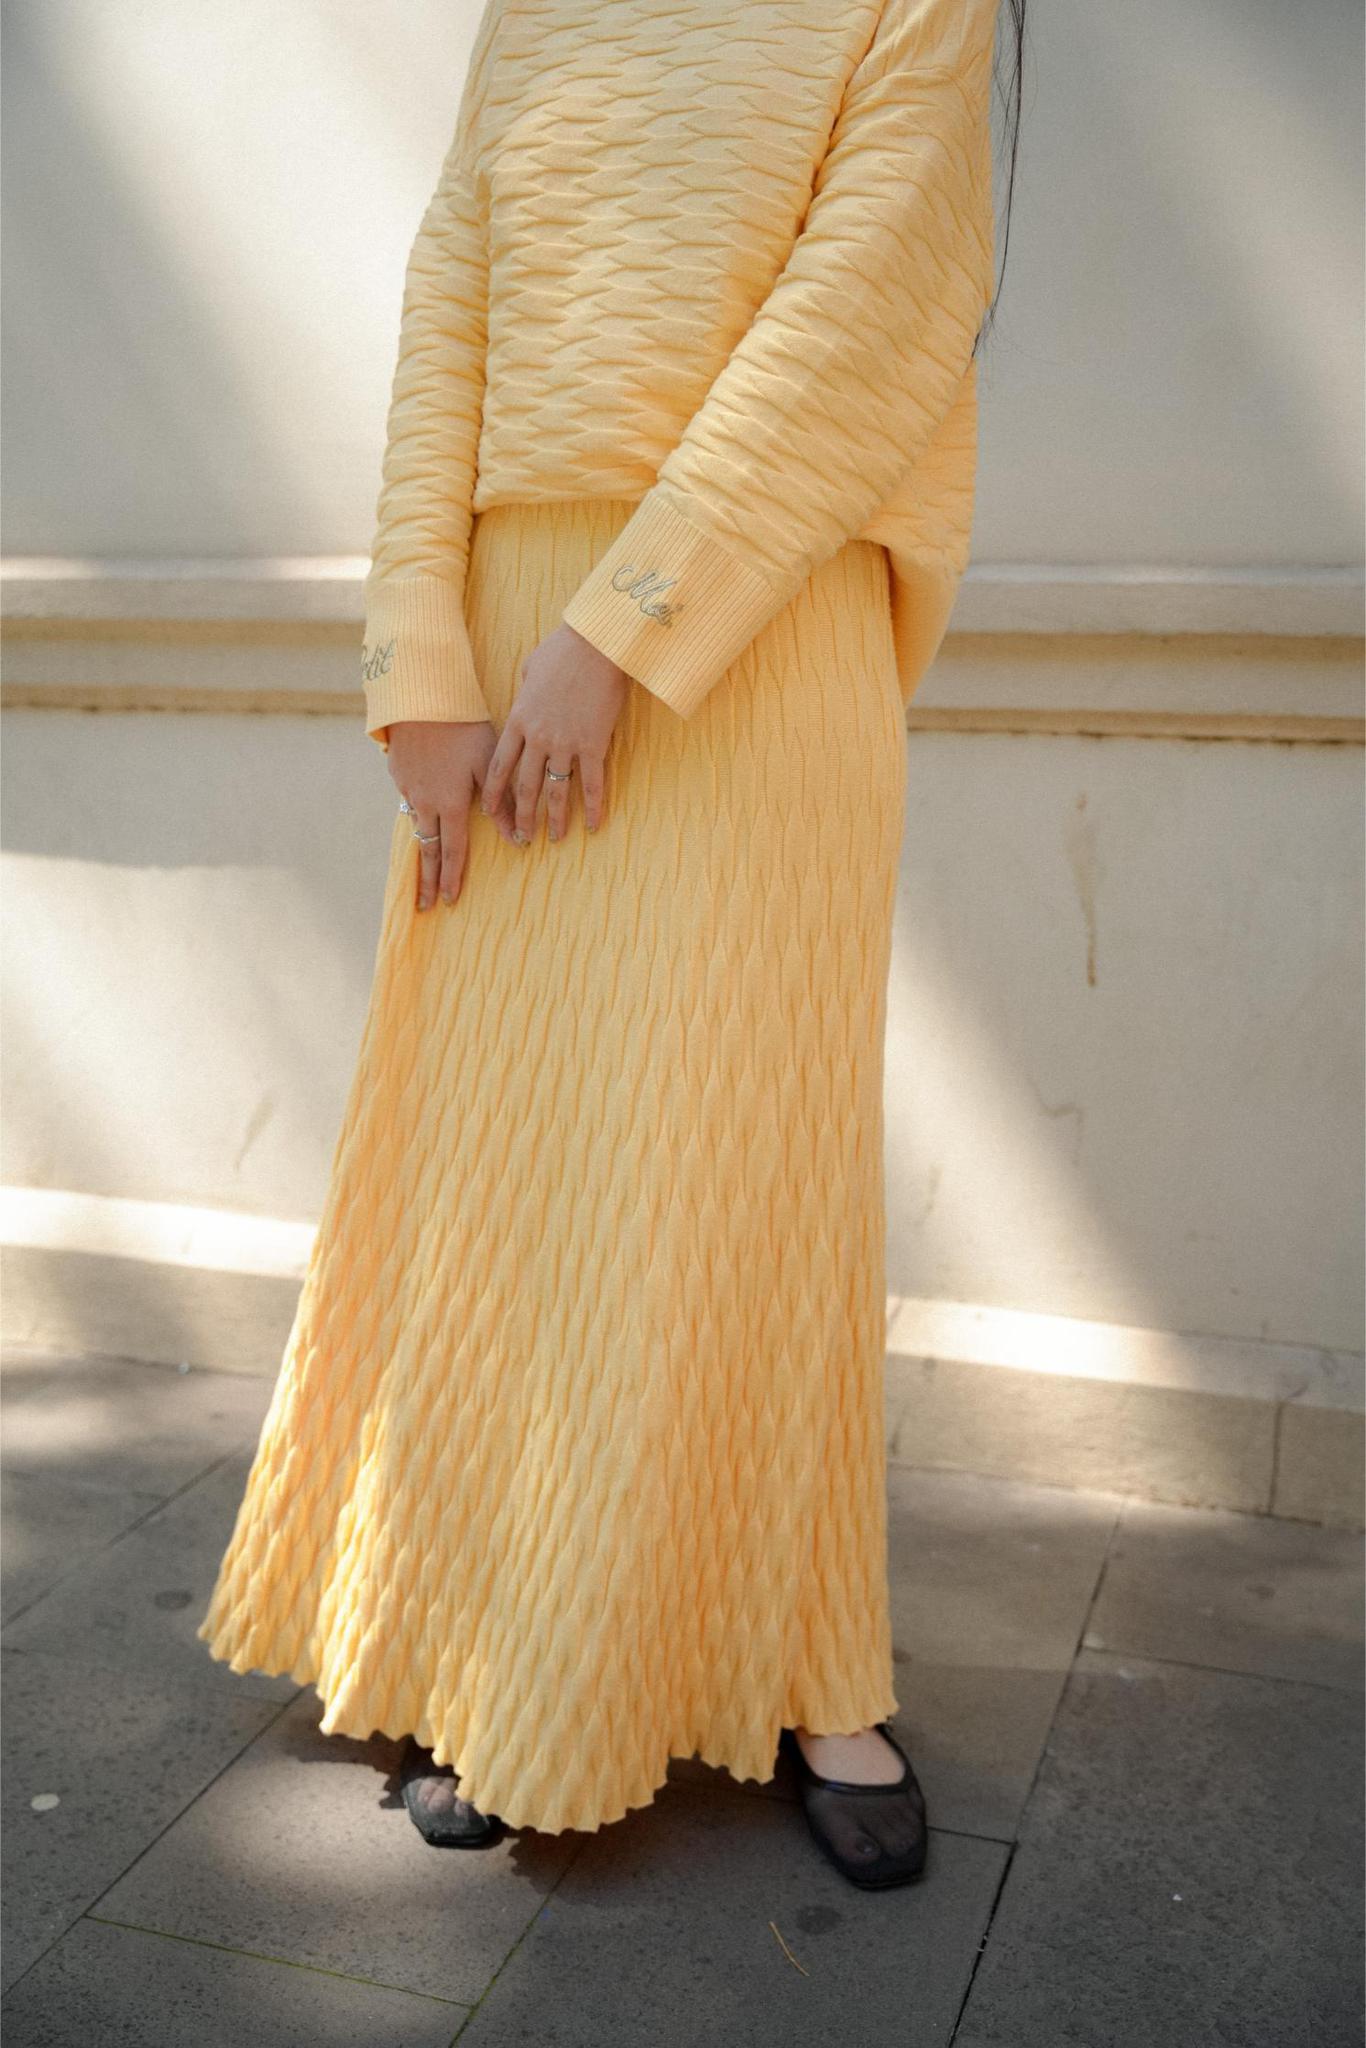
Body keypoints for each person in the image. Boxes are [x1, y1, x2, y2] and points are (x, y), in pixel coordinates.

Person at [197, 0, 1025, 1892]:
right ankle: (501, 1637)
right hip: (508, 630)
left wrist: (619, 629)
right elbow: (450, 301)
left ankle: (807, 1664)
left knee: (743, 1153)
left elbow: (868, 310)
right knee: (509, 1162)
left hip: (753, 636)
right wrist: (417, 653)